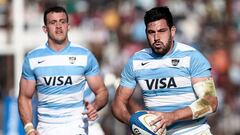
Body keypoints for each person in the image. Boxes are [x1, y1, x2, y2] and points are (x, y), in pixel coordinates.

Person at [111, 6, 218, 135]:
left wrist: (172, 116)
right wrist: (137, 124)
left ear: (172, 31)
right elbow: (118, 104)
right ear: (146, 33)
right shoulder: (136, 61)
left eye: (162, 31)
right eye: (151, 32)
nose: (156, 37)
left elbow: (210, 102)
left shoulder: (192, 57)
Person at [18, 6, 108, 135]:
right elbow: (24, 98)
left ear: (68, 26)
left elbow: (101, 91)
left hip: (77, 127)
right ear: (45, 29)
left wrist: (95, 106)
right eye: (53, 22)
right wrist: (29, 128)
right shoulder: (32, 58)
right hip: (46, 129)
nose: (59, 26)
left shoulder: (85, 56)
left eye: (62, 21)